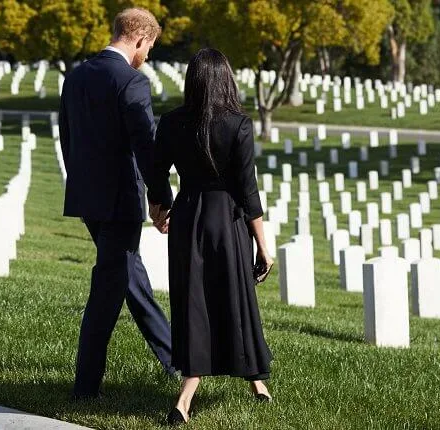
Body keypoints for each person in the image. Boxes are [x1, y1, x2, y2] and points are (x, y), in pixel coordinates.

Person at [147, 48, 275, 425]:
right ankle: (247, 380)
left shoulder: (172, 123)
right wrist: (264, 248)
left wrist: (161, 207)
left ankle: (193, 393)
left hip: (188, 217)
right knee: (235, 299)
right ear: (226, 80)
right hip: (228, 222)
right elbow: (248, 191)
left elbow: (155, 170)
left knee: (194, 302)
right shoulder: (238, 125)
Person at [58, 8, 176, 399]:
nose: (149, 57)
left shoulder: (75, 77)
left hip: (88, 200)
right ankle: (85, 387)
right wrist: (162, 198)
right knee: (107, 293)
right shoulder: (131, 82)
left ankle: (175, 358)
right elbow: (146, 146)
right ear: (139, 39)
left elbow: (67, 138)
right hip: (119, 202)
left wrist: (81, 186)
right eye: (150, 48)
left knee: (131, 279)